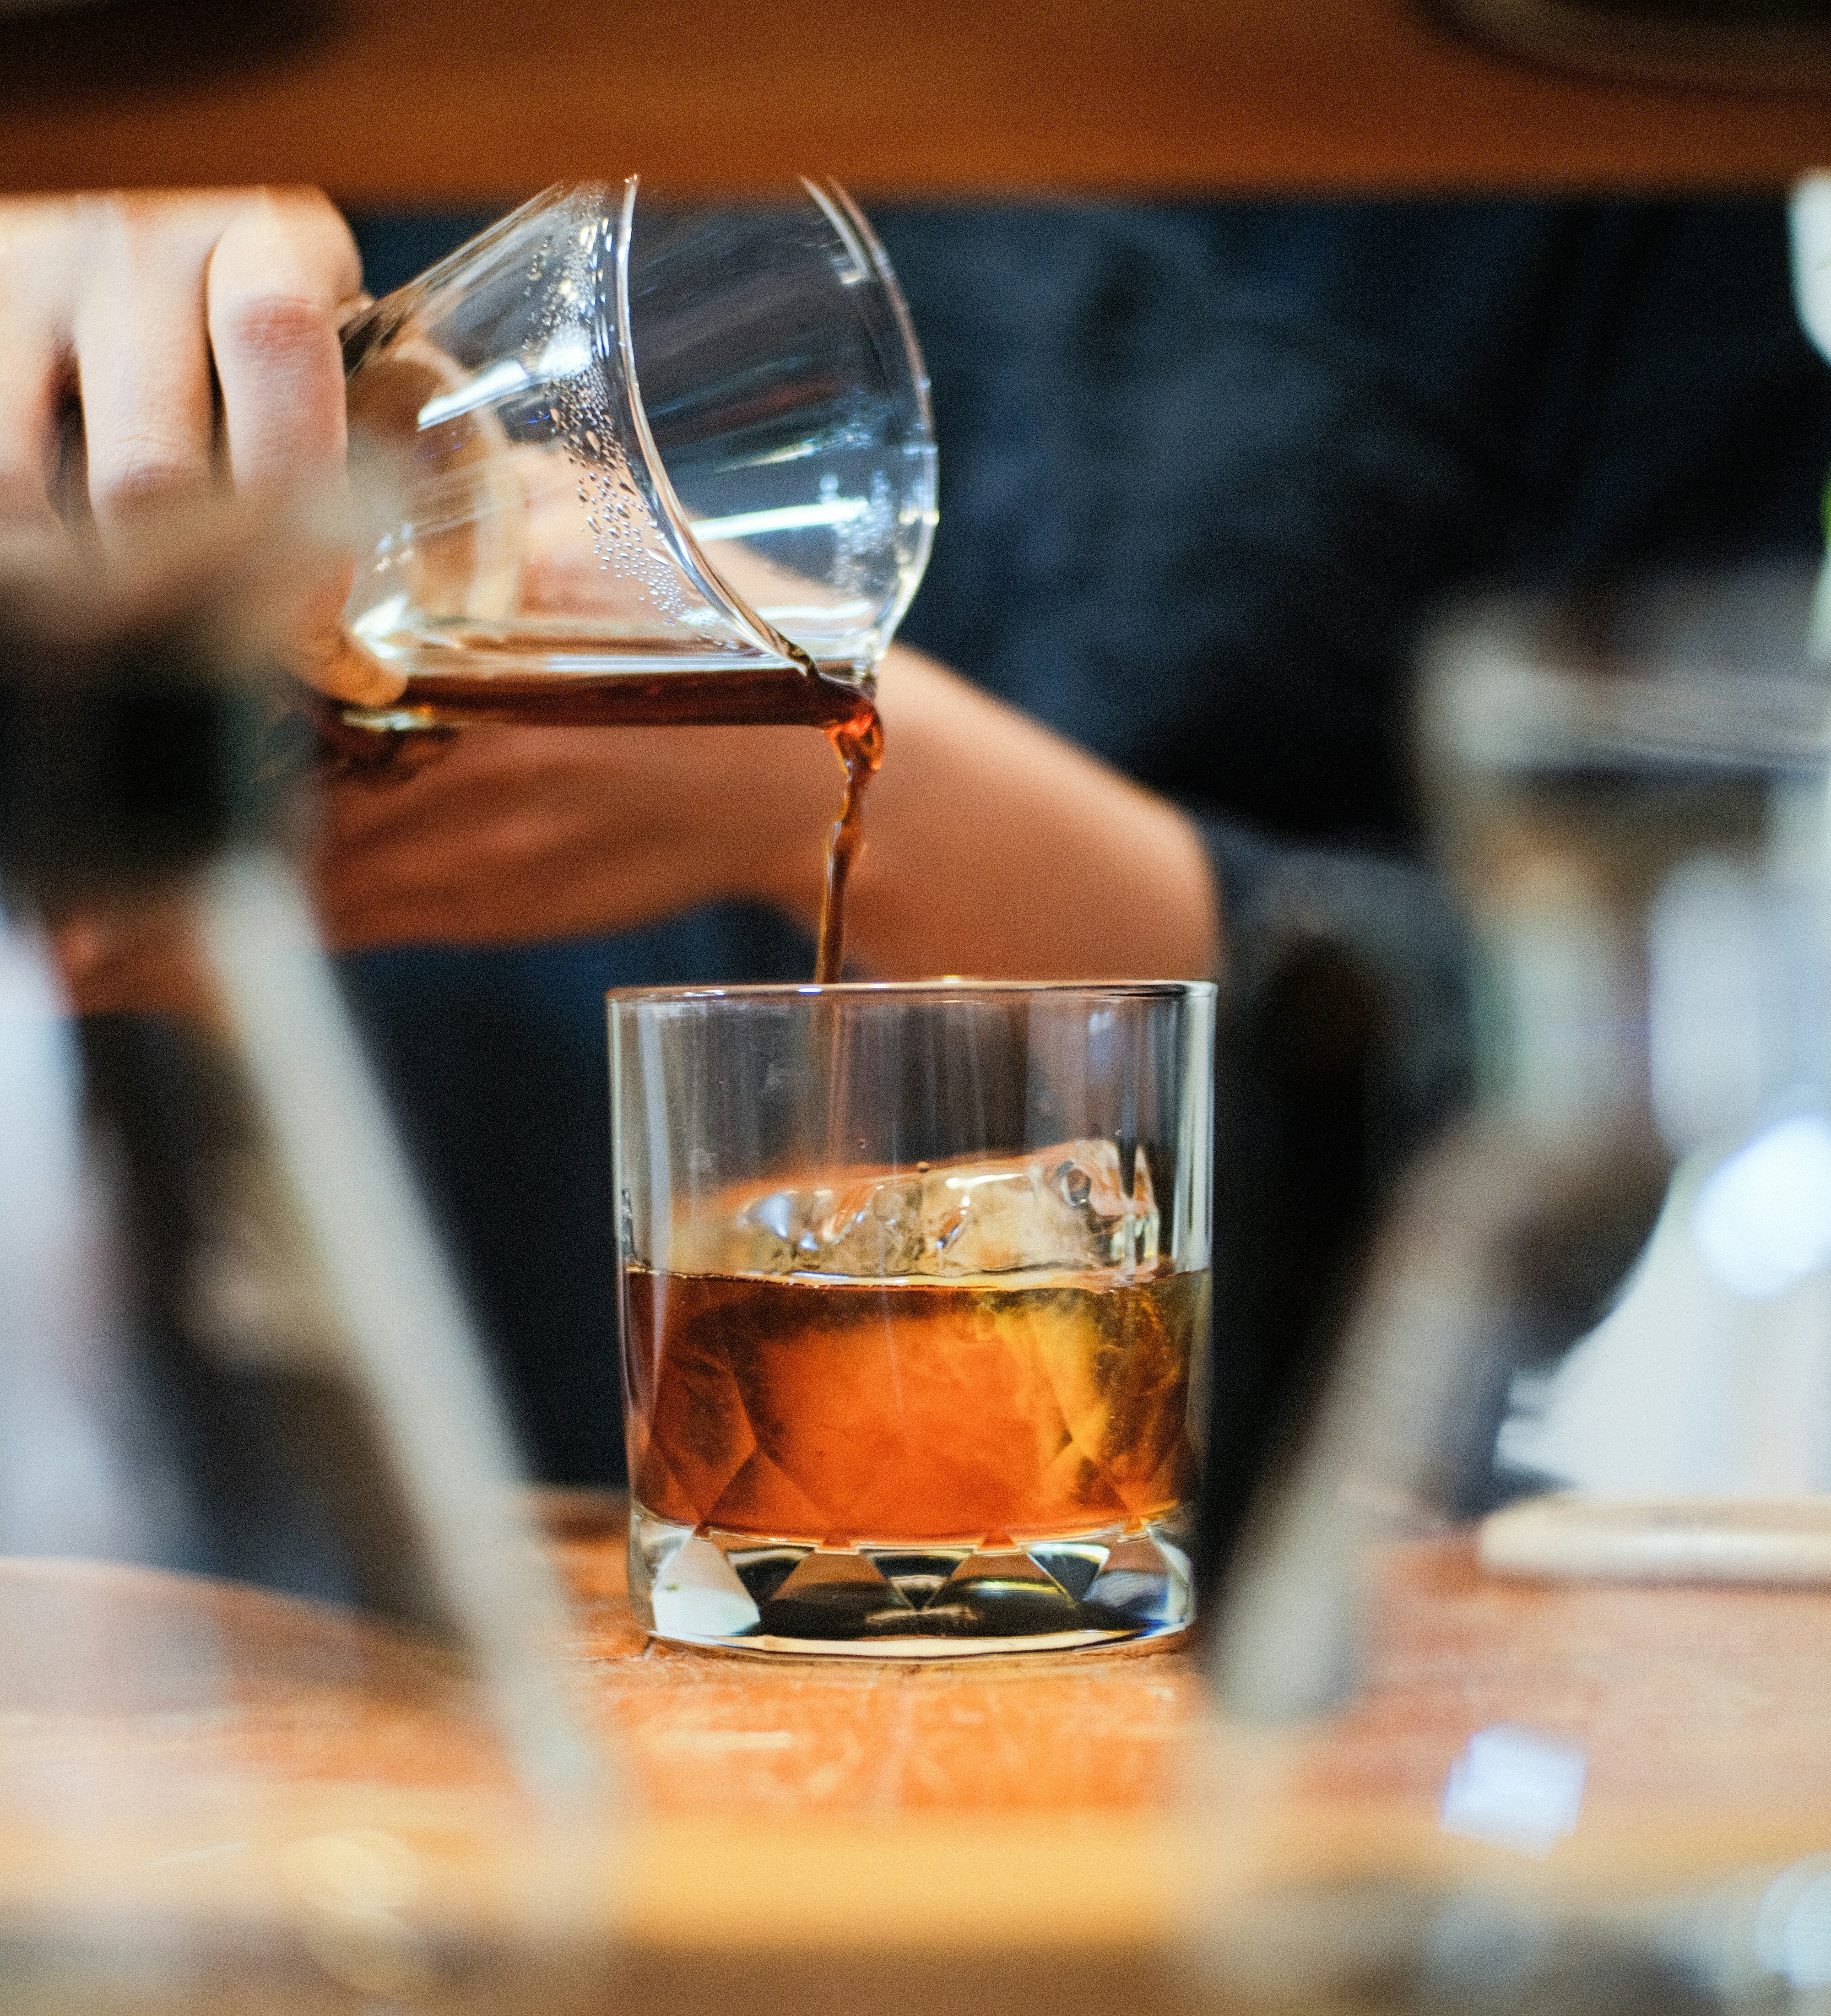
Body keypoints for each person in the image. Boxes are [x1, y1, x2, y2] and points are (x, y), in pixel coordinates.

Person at [3, 187, 1828, 1507]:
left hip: (1203, 1628)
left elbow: (1593, 1107)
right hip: (262, 1597)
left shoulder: (1542, 69)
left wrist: (833, 779)